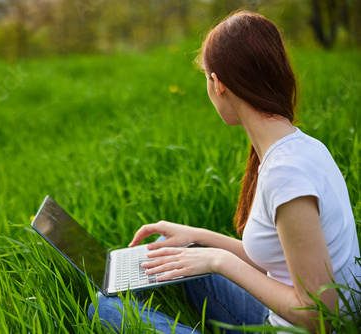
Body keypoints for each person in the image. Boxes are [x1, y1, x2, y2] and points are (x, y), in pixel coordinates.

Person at [87, 10, 361, 334]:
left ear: (218, 84)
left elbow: (320, 318)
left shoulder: (287, 174)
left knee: (102, 310)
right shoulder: (299, 148)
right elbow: (275, 257)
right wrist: (197, 237)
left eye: (205, 77)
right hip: (278, 316)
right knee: (172, 246)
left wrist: (219, 261)